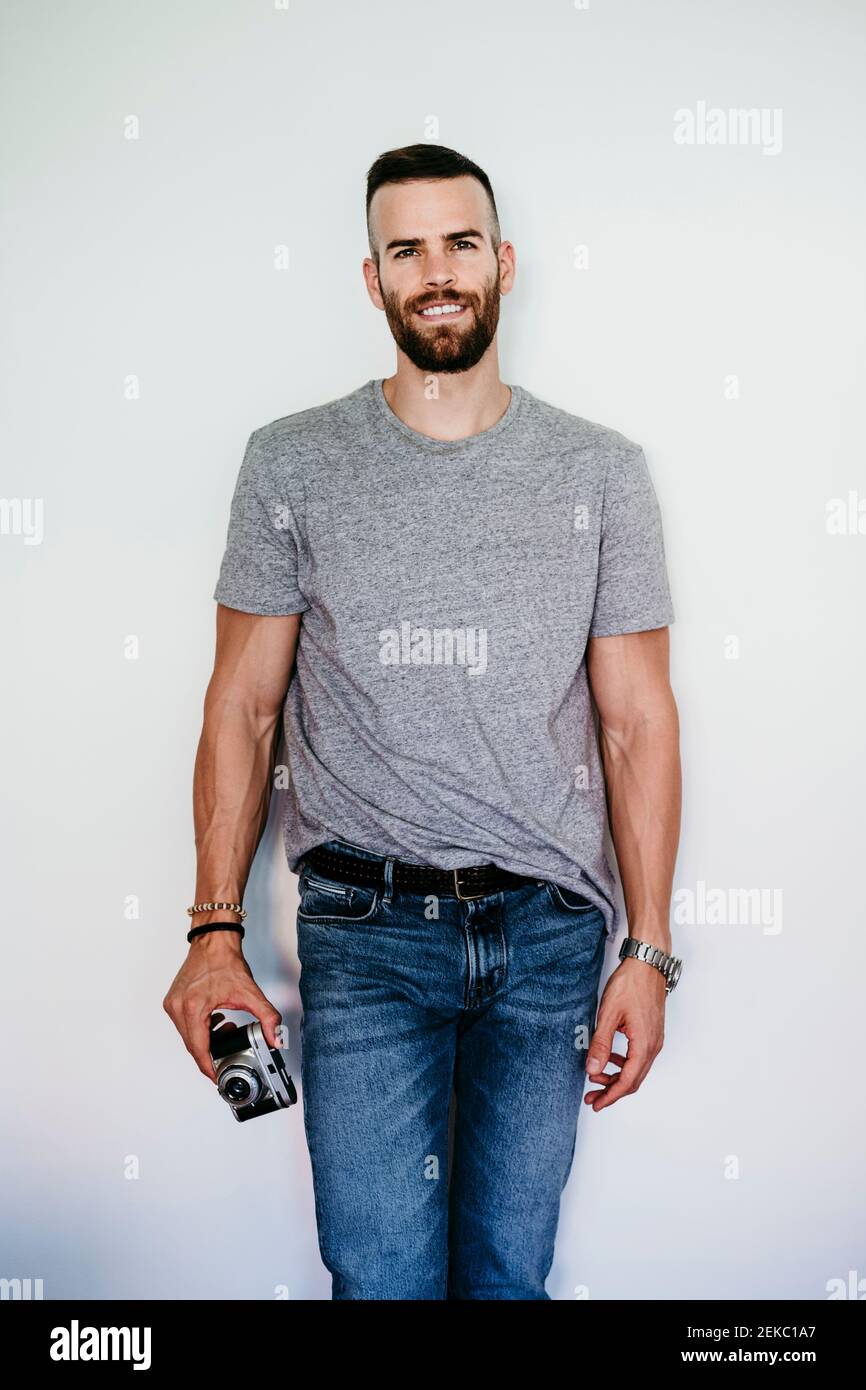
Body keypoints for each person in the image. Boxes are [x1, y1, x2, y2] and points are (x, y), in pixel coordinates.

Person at [163, 143, 683, 1300]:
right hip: (364, 931)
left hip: (549, 935)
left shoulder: (600, 473)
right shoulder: (291, 462)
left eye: (459, 242)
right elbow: (242, 706)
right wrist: (211, 933)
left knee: (506, 1280)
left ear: (502, 263)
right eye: (406, 249)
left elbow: (636, 722)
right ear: (371, 278)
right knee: (382, 1283)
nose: (435, 271)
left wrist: (646, 952)